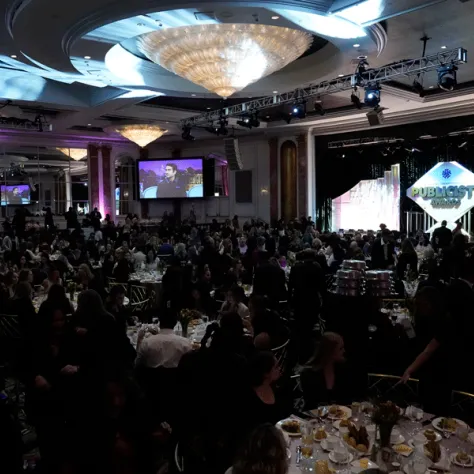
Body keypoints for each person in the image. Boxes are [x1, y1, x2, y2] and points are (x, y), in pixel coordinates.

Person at [300, 332, 364, 409]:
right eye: (341, 348)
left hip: (341, 417)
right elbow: (311, 404)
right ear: (330, 352)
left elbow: (350, 399)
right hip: (316, 417)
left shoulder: (345, 370)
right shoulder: (309, 374)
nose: (344, 351)